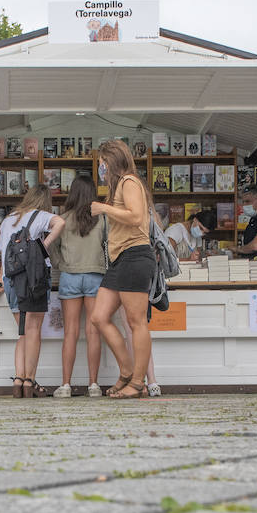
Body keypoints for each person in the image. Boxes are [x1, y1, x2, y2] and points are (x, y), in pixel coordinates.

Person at [88, 139, 155, 398]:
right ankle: (127, 371)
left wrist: (103, 208)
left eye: (102, 164)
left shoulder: (129, 182)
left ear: (111, 161)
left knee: (136, 322)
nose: (100, 169)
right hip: (120, 259)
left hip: (134, 255)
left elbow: (137, 216)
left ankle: (138, 383)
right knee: (99, 316)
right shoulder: (121, 184)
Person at [0, 184, 64, 397]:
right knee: (33, 331)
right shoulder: (41, 216)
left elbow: (4, 258)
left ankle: (18, 380)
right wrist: (43, 246)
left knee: (22, 333)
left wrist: (2, 284)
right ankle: (29, 381)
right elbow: (61, 222)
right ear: (45, 201)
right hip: (35, 281)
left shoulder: (8, 219)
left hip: (12, 282)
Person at [51, 175, 105, 398]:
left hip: (70, 277)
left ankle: (65, 385)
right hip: (95, 275)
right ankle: (94, 385)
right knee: (93, 332)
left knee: (70, 333)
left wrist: (60, 263)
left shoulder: (61, 220)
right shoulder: (102, 219)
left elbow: (51, 248)